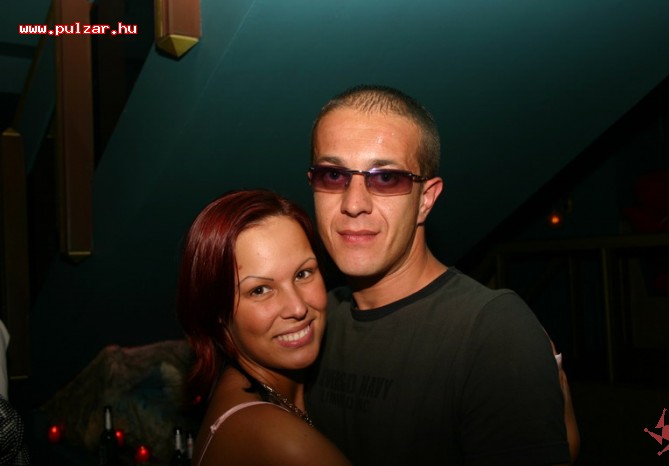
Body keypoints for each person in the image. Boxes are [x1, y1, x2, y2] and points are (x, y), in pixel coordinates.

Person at [304, 85, 573, 465]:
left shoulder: (490, 331)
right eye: (333, 175)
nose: (354, 204)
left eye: (386, 178)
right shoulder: (311, 317)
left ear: (426, 199)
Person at [177, 189, 351, 466]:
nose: (297, 308)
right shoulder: (279, 439)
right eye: (259, 290)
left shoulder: (250, 393)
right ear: (217, 310)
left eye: (303, 273)